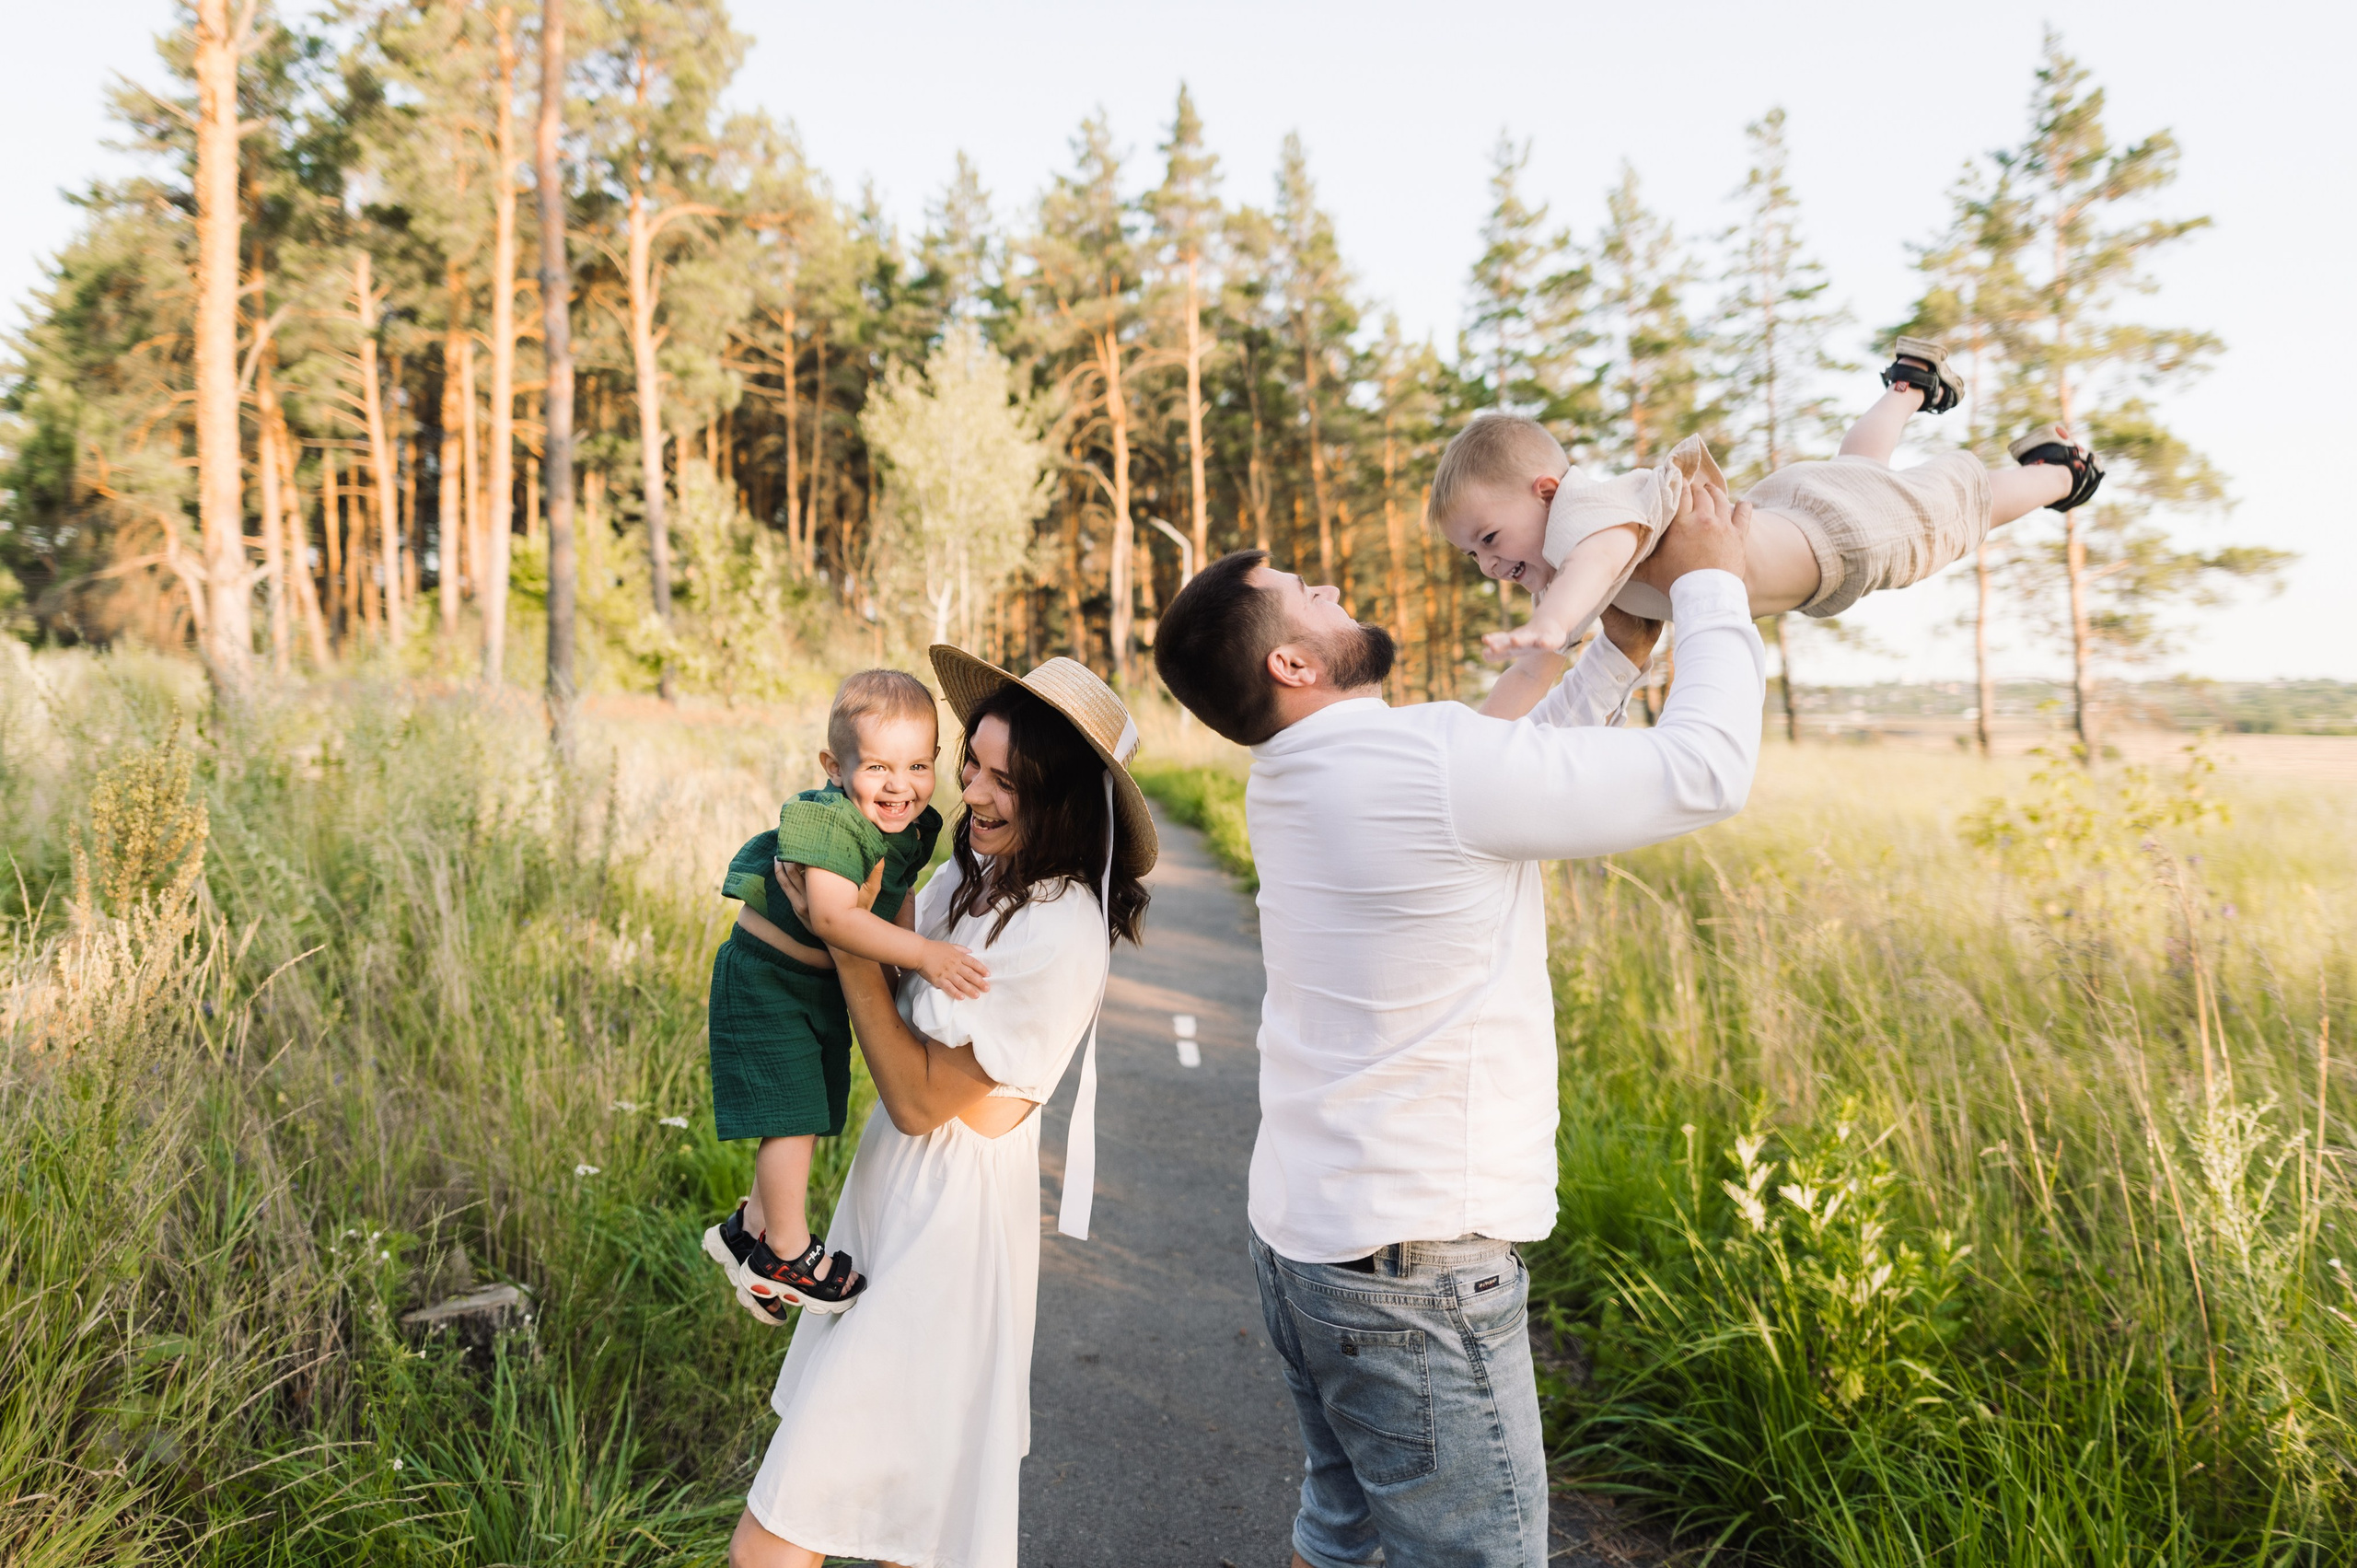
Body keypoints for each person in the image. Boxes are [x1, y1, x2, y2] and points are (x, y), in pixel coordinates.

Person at [1150, 485, 1765, 1568]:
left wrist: (1615, 650)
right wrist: (1712, 580)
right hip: (1412, 1272)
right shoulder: (1417, 762)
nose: (1331, 587)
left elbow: (1499, 782)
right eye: (1305, 591)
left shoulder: (1300, 773)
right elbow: (1704, 772)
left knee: (1338, 1533)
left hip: (1311, 1246)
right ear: (1289, 664)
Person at [726, 649, 1155, 1568]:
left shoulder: (1057, 925)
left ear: (1066, 797)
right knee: (905, 1525)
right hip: (893, 1198)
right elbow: (891, 970)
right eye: (972, 762)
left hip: (947, 1234)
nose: (974, 791)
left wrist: (850, 949)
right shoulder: (975, 870)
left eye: (1007, 780)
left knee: (785, 1527)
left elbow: (923, 1099)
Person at [1439, 337, 2106, 660]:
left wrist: (1549, 625)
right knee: (1861, 466)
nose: (1489, 565)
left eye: (1492, 539)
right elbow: (1553, 659)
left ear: (1548, 492)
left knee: (1960, 512)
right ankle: (1907, 387)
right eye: (1473, 554)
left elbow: (1597, 561)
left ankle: (2057, 471)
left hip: (1844, 542)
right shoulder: (1563, 568)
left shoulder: (1585, 521)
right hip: (1795, 510)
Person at [701, 668, 970, 1320]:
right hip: (767, 979)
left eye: (916, 765)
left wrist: (901, 967)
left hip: (813, 984)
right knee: (790, 1113)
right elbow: (834, 917)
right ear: (834, 764)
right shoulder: (824, 820)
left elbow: (899, 891)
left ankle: (749, 1235)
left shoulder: (912, 821)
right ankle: (786, 1253)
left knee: (816, 1106)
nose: (899, 785)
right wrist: (925, 956)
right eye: (877, 766)